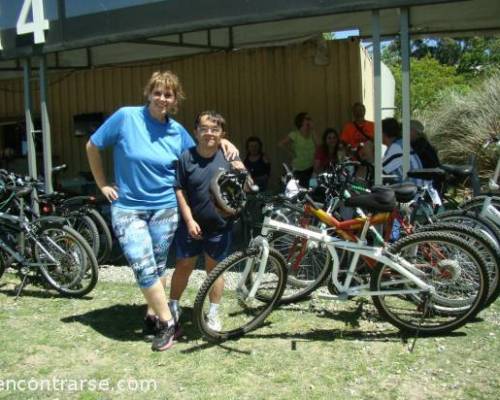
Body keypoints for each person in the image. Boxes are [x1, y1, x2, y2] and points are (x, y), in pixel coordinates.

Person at [85, 71, 238, 352]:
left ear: (175, 99)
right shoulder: (125, 117)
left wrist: (226, 143)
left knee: (156, 265)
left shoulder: (177, 131)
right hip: (128, 207)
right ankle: (169, 322)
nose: (162, 99)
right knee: (142, 263)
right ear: (149, 93)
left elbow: (202, 150)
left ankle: (152, 314)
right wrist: (102, 183)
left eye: (168, 94)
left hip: (165, 210)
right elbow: (93, 145)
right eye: (158, 92)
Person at [169, 111, 246, 332]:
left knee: (215, 271)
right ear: (196, 132)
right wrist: (189, 219)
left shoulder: (229, 156)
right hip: (191, 225)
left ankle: (212, 313)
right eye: (204, 129)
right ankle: (173, 306)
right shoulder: (186, 157)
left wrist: (240, 166)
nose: (209, 133)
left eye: (215, 129)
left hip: (221, 227)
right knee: (184, 265)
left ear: (222, 133)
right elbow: (179, 190)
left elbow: (246, 186)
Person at [278, 112, 317, 188]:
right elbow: (280, 144)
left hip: (311, 168)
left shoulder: (312, 134)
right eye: (307, 119)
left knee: (312, 188)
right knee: (300, 190)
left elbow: (319, 146)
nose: (309, 120)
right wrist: (291, 153)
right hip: (298, 169)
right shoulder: (294, 135)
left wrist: (313, 129)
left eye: (310, 119)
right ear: (301, 121)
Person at [382, 117, 424, 185]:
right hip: (414, 187)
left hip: (410, 190)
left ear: (383, 133)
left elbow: (381, 171)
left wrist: (369, 156)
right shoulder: (401, 143)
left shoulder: (397, 147)